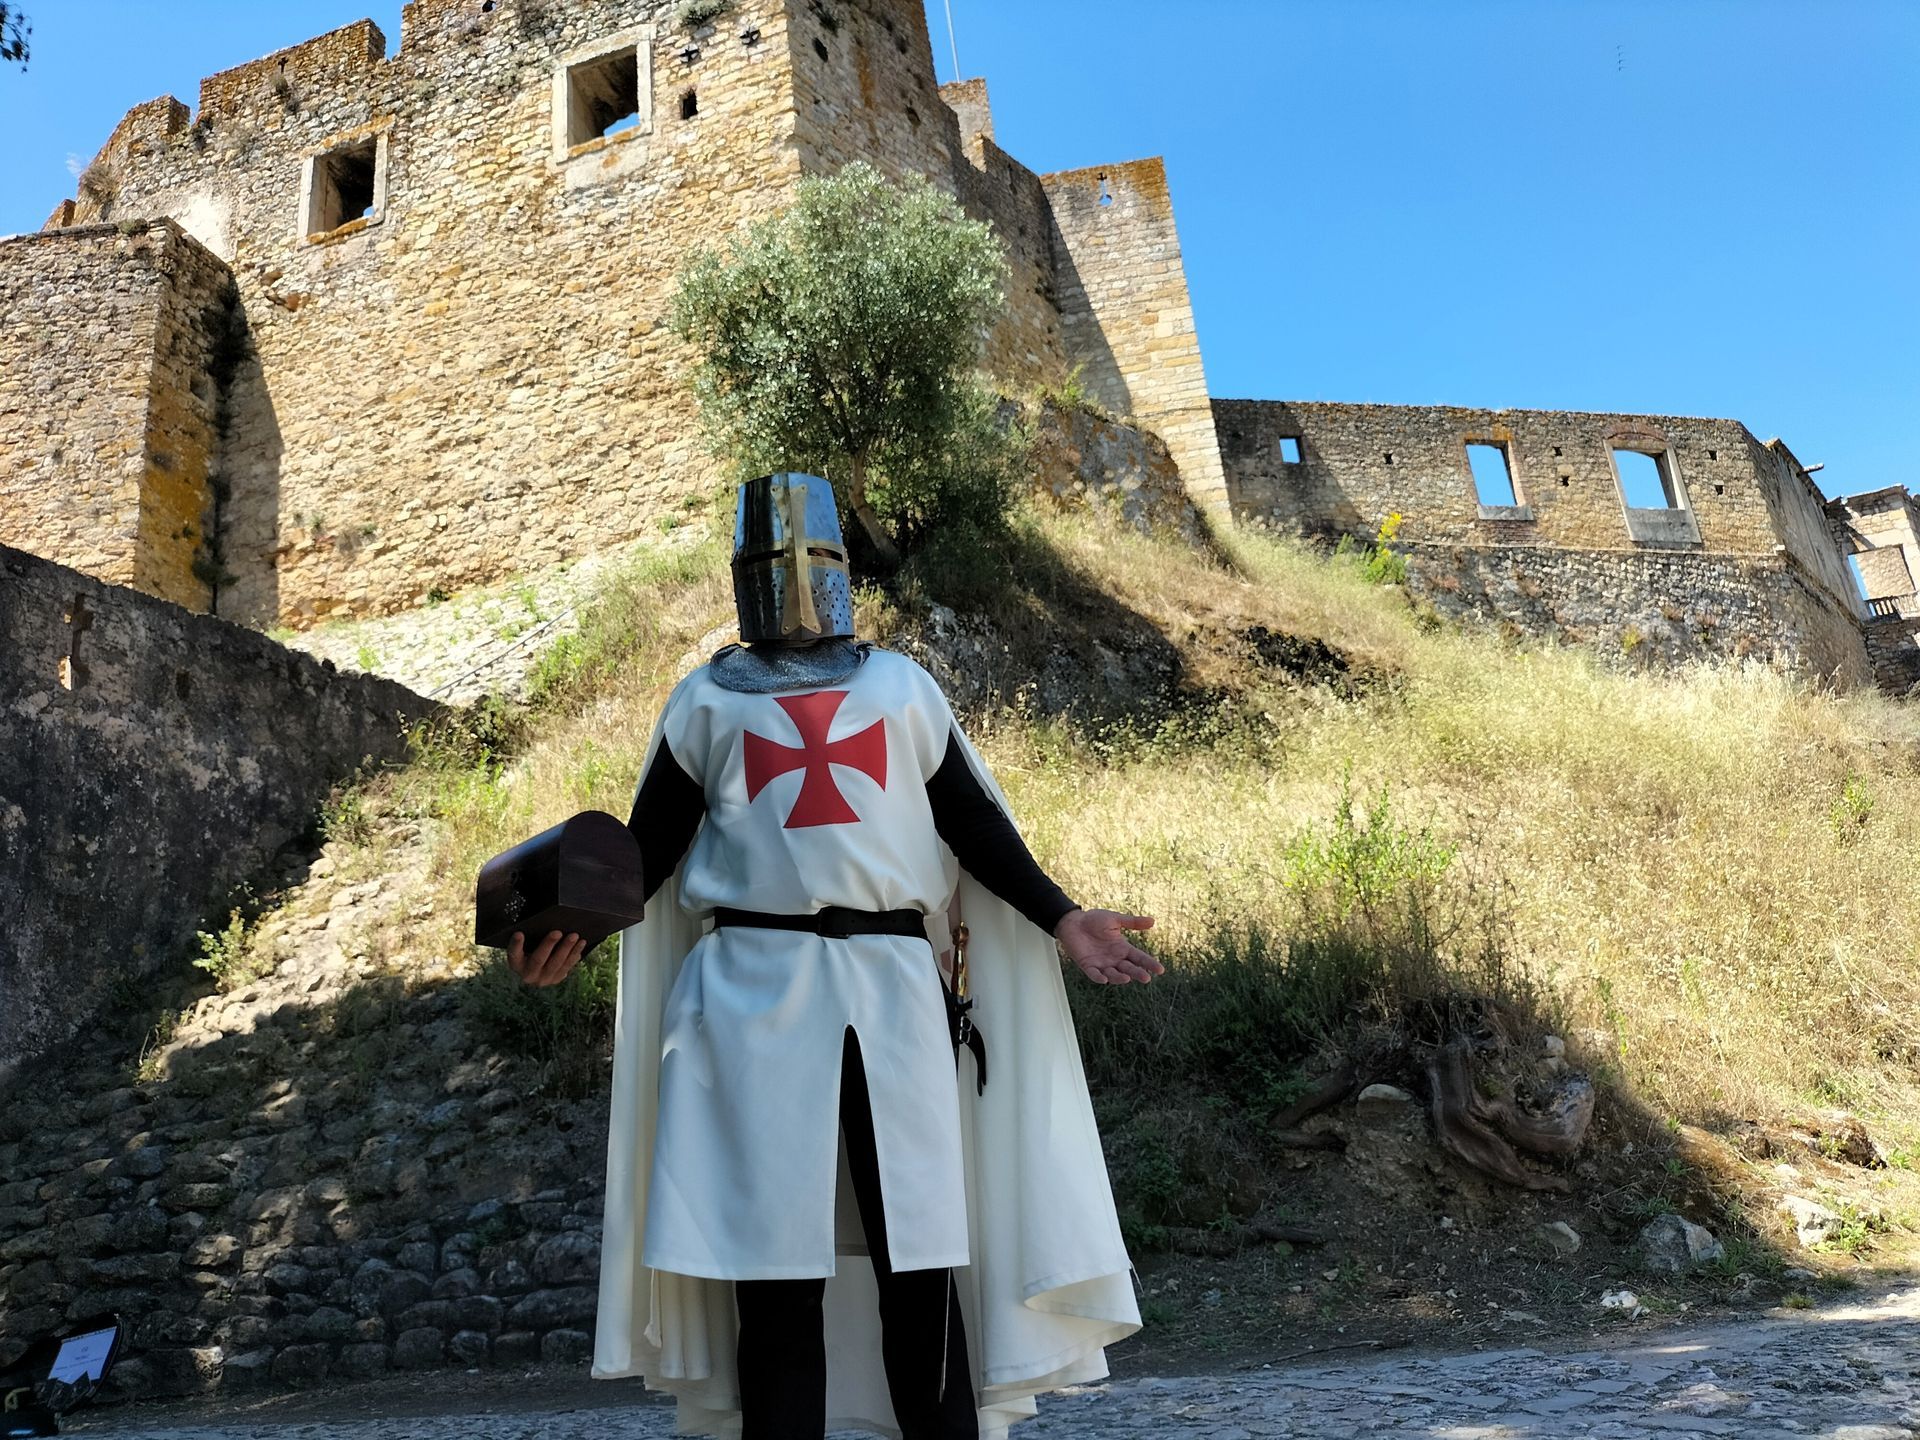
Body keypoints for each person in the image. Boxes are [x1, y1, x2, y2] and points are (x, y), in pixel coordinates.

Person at [508, 474, 1160, 1438]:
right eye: (772, 564)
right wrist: (574, 928)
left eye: (813, 559)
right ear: (742, 574)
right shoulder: (705, 702)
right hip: (751, 995)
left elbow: (971, 821)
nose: (796, 581)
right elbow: (644, 852)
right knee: (772, 1274)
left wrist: (1061, 917)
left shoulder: (898, 684)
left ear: (843, 567)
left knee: (920, 1263)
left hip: (894, 988)